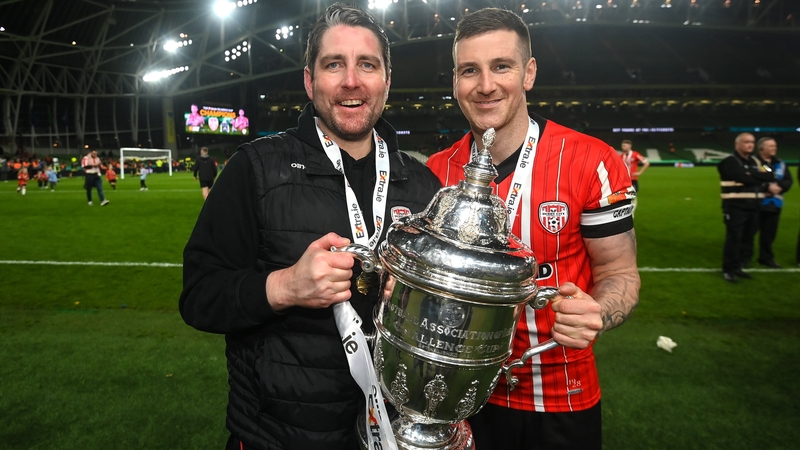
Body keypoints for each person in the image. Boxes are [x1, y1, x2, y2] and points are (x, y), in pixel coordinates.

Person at [179, 4, 441, 450]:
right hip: (278, 437)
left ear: (386, 81)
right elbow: (199, 297)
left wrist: (423, 301)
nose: (351, 81)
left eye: (367, 65)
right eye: (334, 64)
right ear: (310, 80)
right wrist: (285, 286)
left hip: (396, 435)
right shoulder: (256, 170)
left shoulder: (423, 186)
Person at [425, 8, 640, 450]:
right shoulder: (435, 172)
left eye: (501, 66)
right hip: (456, 399)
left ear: (528, 73)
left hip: (560, 398)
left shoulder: (591, 161)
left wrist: (597, 312)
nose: (485, 85)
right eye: (470, 70)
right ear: (455, 81)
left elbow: (621, 273)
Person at [717, 133, 775, 282]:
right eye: (746, 142)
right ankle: (728, 269)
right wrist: (755, 176)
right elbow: (742, 178)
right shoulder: (729, 161)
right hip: (735, 206)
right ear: (737, 144)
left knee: (747, 239)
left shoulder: (756, 161)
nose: (750, 145)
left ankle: (738, 267)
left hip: (754, 206)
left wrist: (751, 174)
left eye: (752, 142)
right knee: (734, 239)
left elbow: (770, 174)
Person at [753, 137, 792, 268]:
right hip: (755, 204)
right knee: (748, 234)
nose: (774, 148)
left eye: (775, 146)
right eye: (770, 146)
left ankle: (766, 258)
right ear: (761, 148)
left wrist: (778, 187)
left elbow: (788, 180)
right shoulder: (754, 162)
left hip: (774, 204)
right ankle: (742, 258)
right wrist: (767, 187)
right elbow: (750, 179)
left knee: (769, 235)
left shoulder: (780, 164)